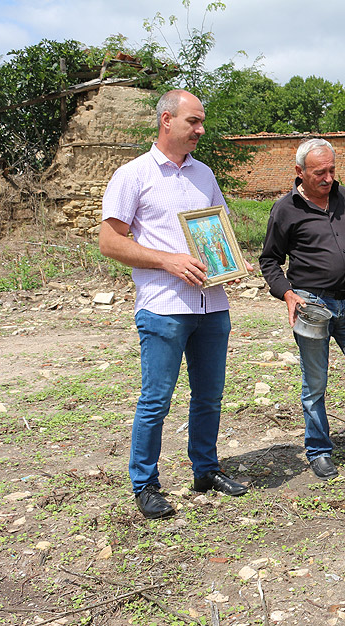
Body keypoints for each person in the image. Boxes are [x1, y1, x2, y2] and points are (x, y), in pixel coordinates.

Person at [100, 89, 248, 520]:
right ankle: (145, 484)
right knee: (156, 400)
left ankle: (206, 469)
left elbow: (216, 232)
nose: (201, 130)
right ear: (167, 120)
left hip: (211, 304)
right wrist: (169, 261)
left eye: (202, 122)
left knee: (209, 397)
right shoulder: (133, 174)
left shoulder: (204, 174)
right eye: (193, 121)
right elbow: (110, 242)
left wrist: (231, 262)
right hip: (163, 307)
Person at [259, 138, 345, 481]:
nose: (328, 178)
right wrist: (287, 294)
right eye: (320, 172)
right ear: (299, 171)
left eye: (332, 170)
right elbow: (270, 261)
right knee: (315, 382)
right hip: (312, 305)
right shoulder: (285, 209)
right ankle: (319, 450)